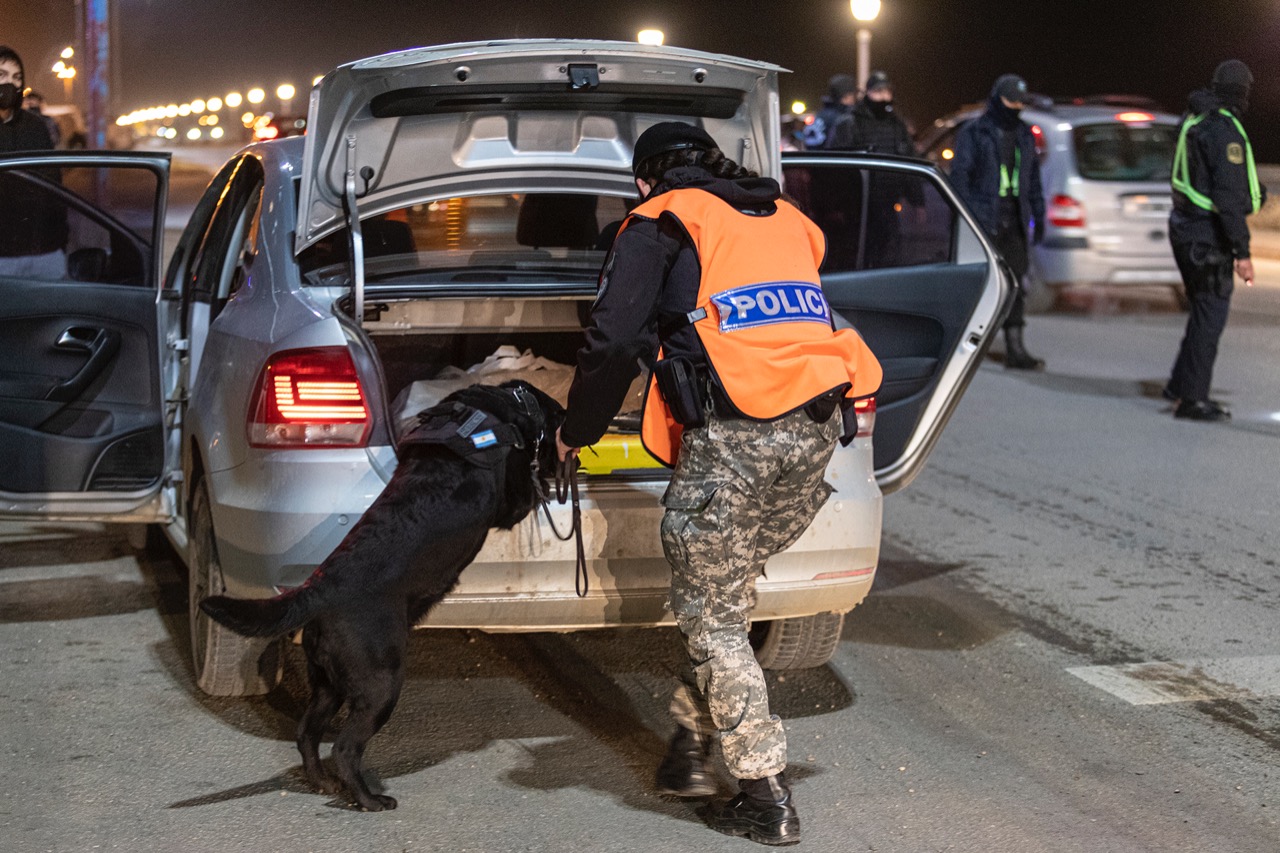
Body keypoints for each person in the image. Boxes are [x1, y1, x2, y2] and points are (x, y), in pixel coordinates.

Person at [555, 121, 881, 846]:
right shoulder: (786, 217)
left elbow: (613, 339)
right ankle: (690, 742)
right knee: (726, 596)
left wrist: (577, 430)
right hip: (814, 436)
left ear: (645, 179)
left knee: (714, 617)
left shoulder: (659, 221)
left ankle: (765, 795)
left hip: (735, 441)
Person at [1164, 60, 1264, 421]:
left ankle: (1179, 386)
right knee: (1210, 317)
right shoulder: (1224, 130)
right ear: (1242, 91)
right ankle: (1192, 400)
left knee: (1201, 312)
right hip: (1206, 237)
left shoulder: (1193, 119)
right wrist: (1242, 252)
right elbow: (1228, 198)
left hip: (1184, 228)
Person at [950, 74, 1047, 370]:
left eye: (1020, 103)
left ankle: (1015, 349)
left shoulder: (1024, 135)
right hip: (983, 220)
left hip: (1014, 218)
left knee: (1016, 284)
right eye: (1011, 101)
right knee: (981, 285)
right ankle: (964, 349)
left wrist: (1039, 214)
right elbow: (960, 178)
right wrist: (968, 218)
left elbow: (1032, 180)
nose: (1016, 107)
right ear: (997, 99)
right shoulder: (975, 132)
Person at [0, 45, 65, 281]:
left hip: (43, 253)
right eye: (2, 75)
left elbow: (54, 185)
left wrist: (60, 239)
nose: (10, 84)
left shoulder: (35, 126)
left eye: (17, 77)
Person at [826, 70, 916, 156]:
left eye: (887, 91)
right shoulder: (850, 122)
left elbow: (910, 155)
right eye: (878, 91)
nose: (884, 96)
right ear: (868, 92)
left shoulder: (897, 124)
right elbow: (837, 157)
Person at [802, 73, 859, 150]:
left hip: (812, 156)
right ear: (846, 96)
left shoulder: (819, 115)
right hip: (832, 157)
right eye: (853, 95)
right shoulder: (844, 118)